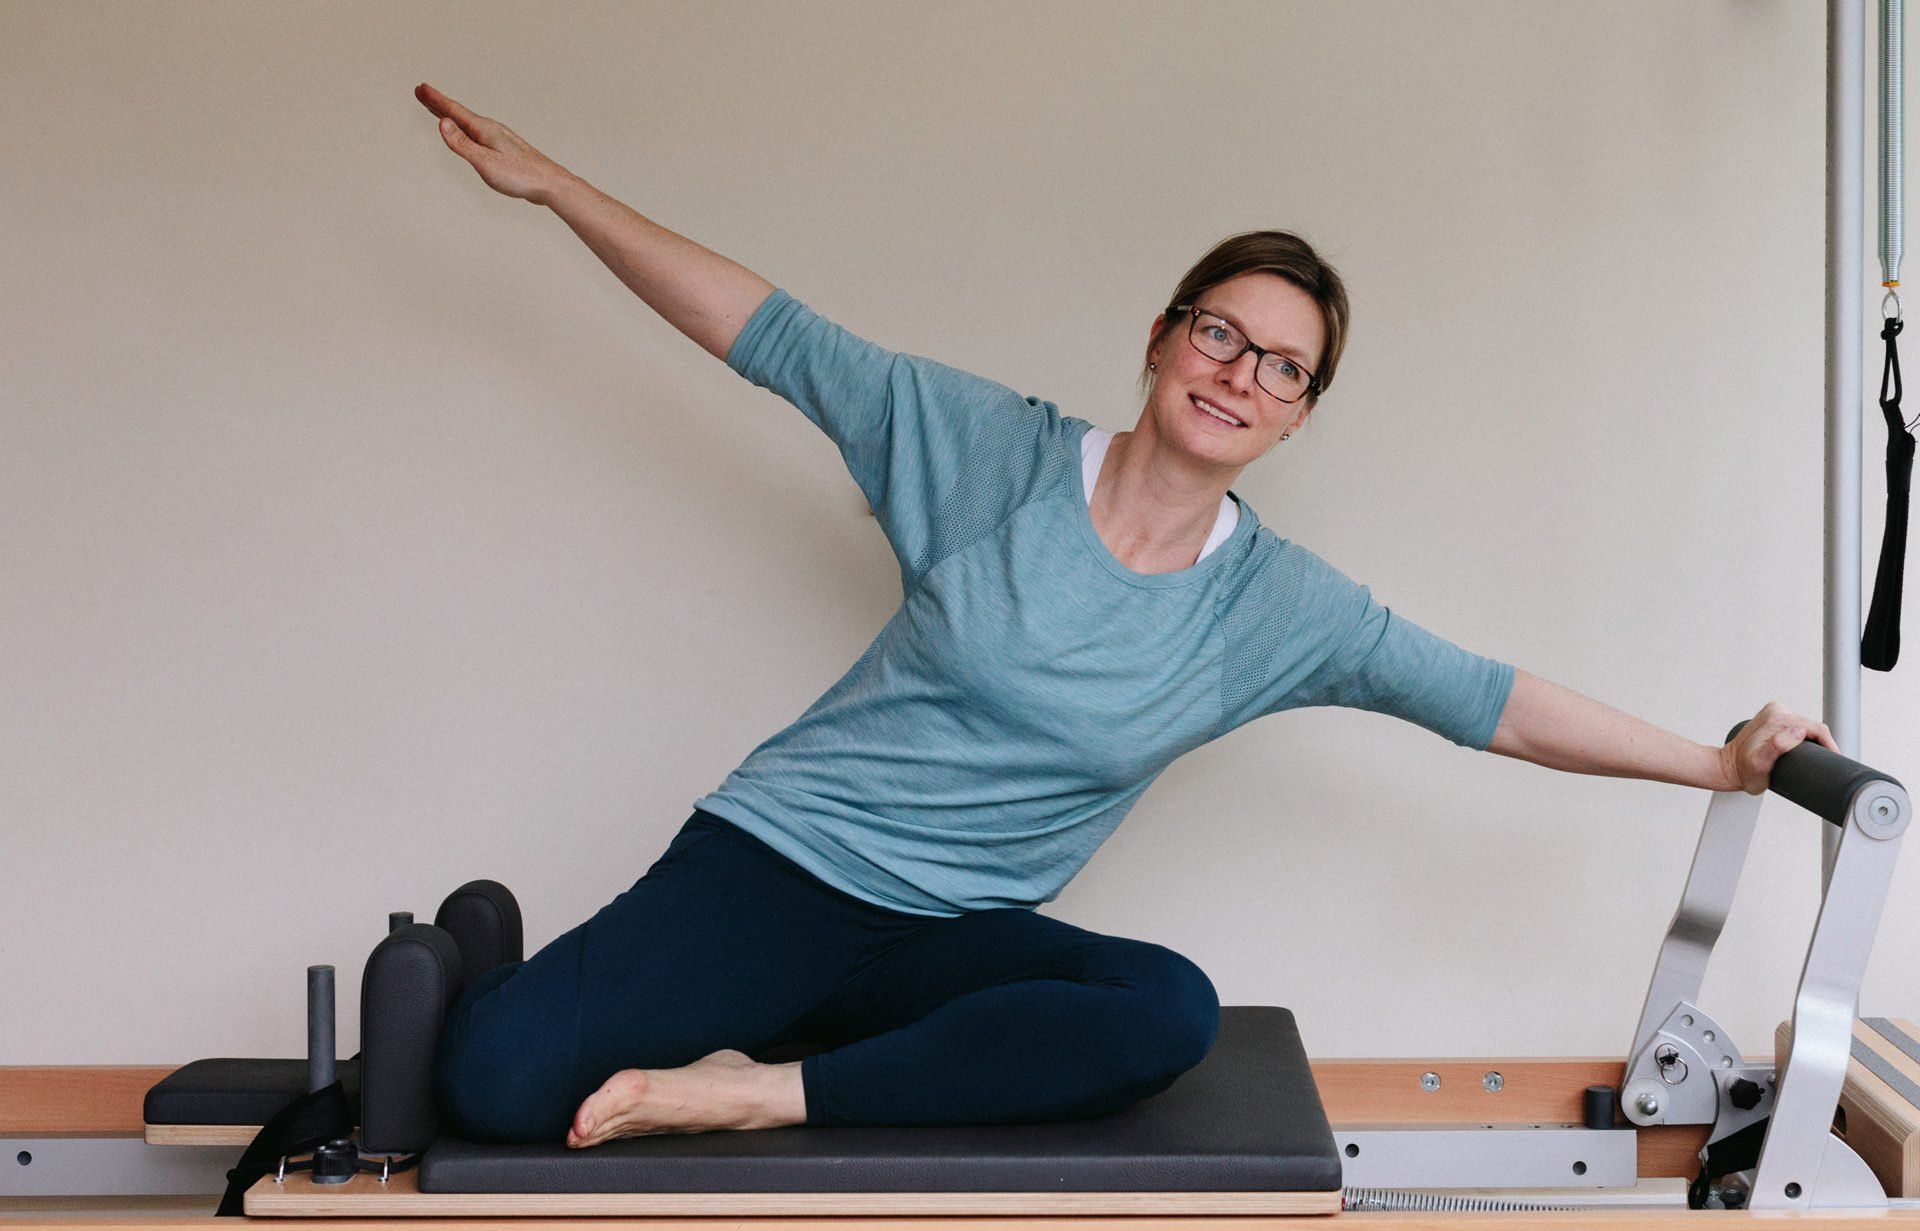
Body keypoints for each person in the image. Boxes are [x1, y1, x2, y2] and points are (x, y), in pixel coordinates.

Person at [413, 83, 1837, 1149]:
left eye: (1282, 368)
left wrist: (1722, 766)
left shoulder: (1278, 603)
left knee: (1161, 1014)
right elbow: (768, 334)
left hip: (944, 941)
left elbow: (1493, 702)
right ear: (1162, 339)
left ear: (1297, 417)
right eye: (1219, 333)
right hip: (785, 867)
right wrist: (554, 187)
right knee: (489, 1088)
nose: (1239, 374)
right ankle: (478, 966)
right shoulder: (993, 456)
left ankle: (754, 1090)